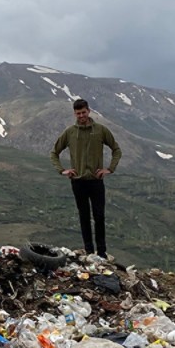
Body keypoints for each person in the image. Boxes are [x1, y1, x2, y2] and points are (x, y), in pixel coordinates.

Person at [50, 98, 121, 258]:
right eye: (78, 113)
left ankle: (102, 253)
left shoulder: (101, 130)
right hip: (78, 182)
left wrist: (109, 169)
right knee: (84, 216)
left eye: (83, 112)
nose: (81, 116)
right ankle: (89, 251)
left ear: (88, 111)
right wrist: (62, 170)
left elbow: (116, 149)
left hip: (96, 181)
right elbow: (54, 153)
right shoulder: (69, 132)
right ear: (74, 114)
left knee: (99, 216)